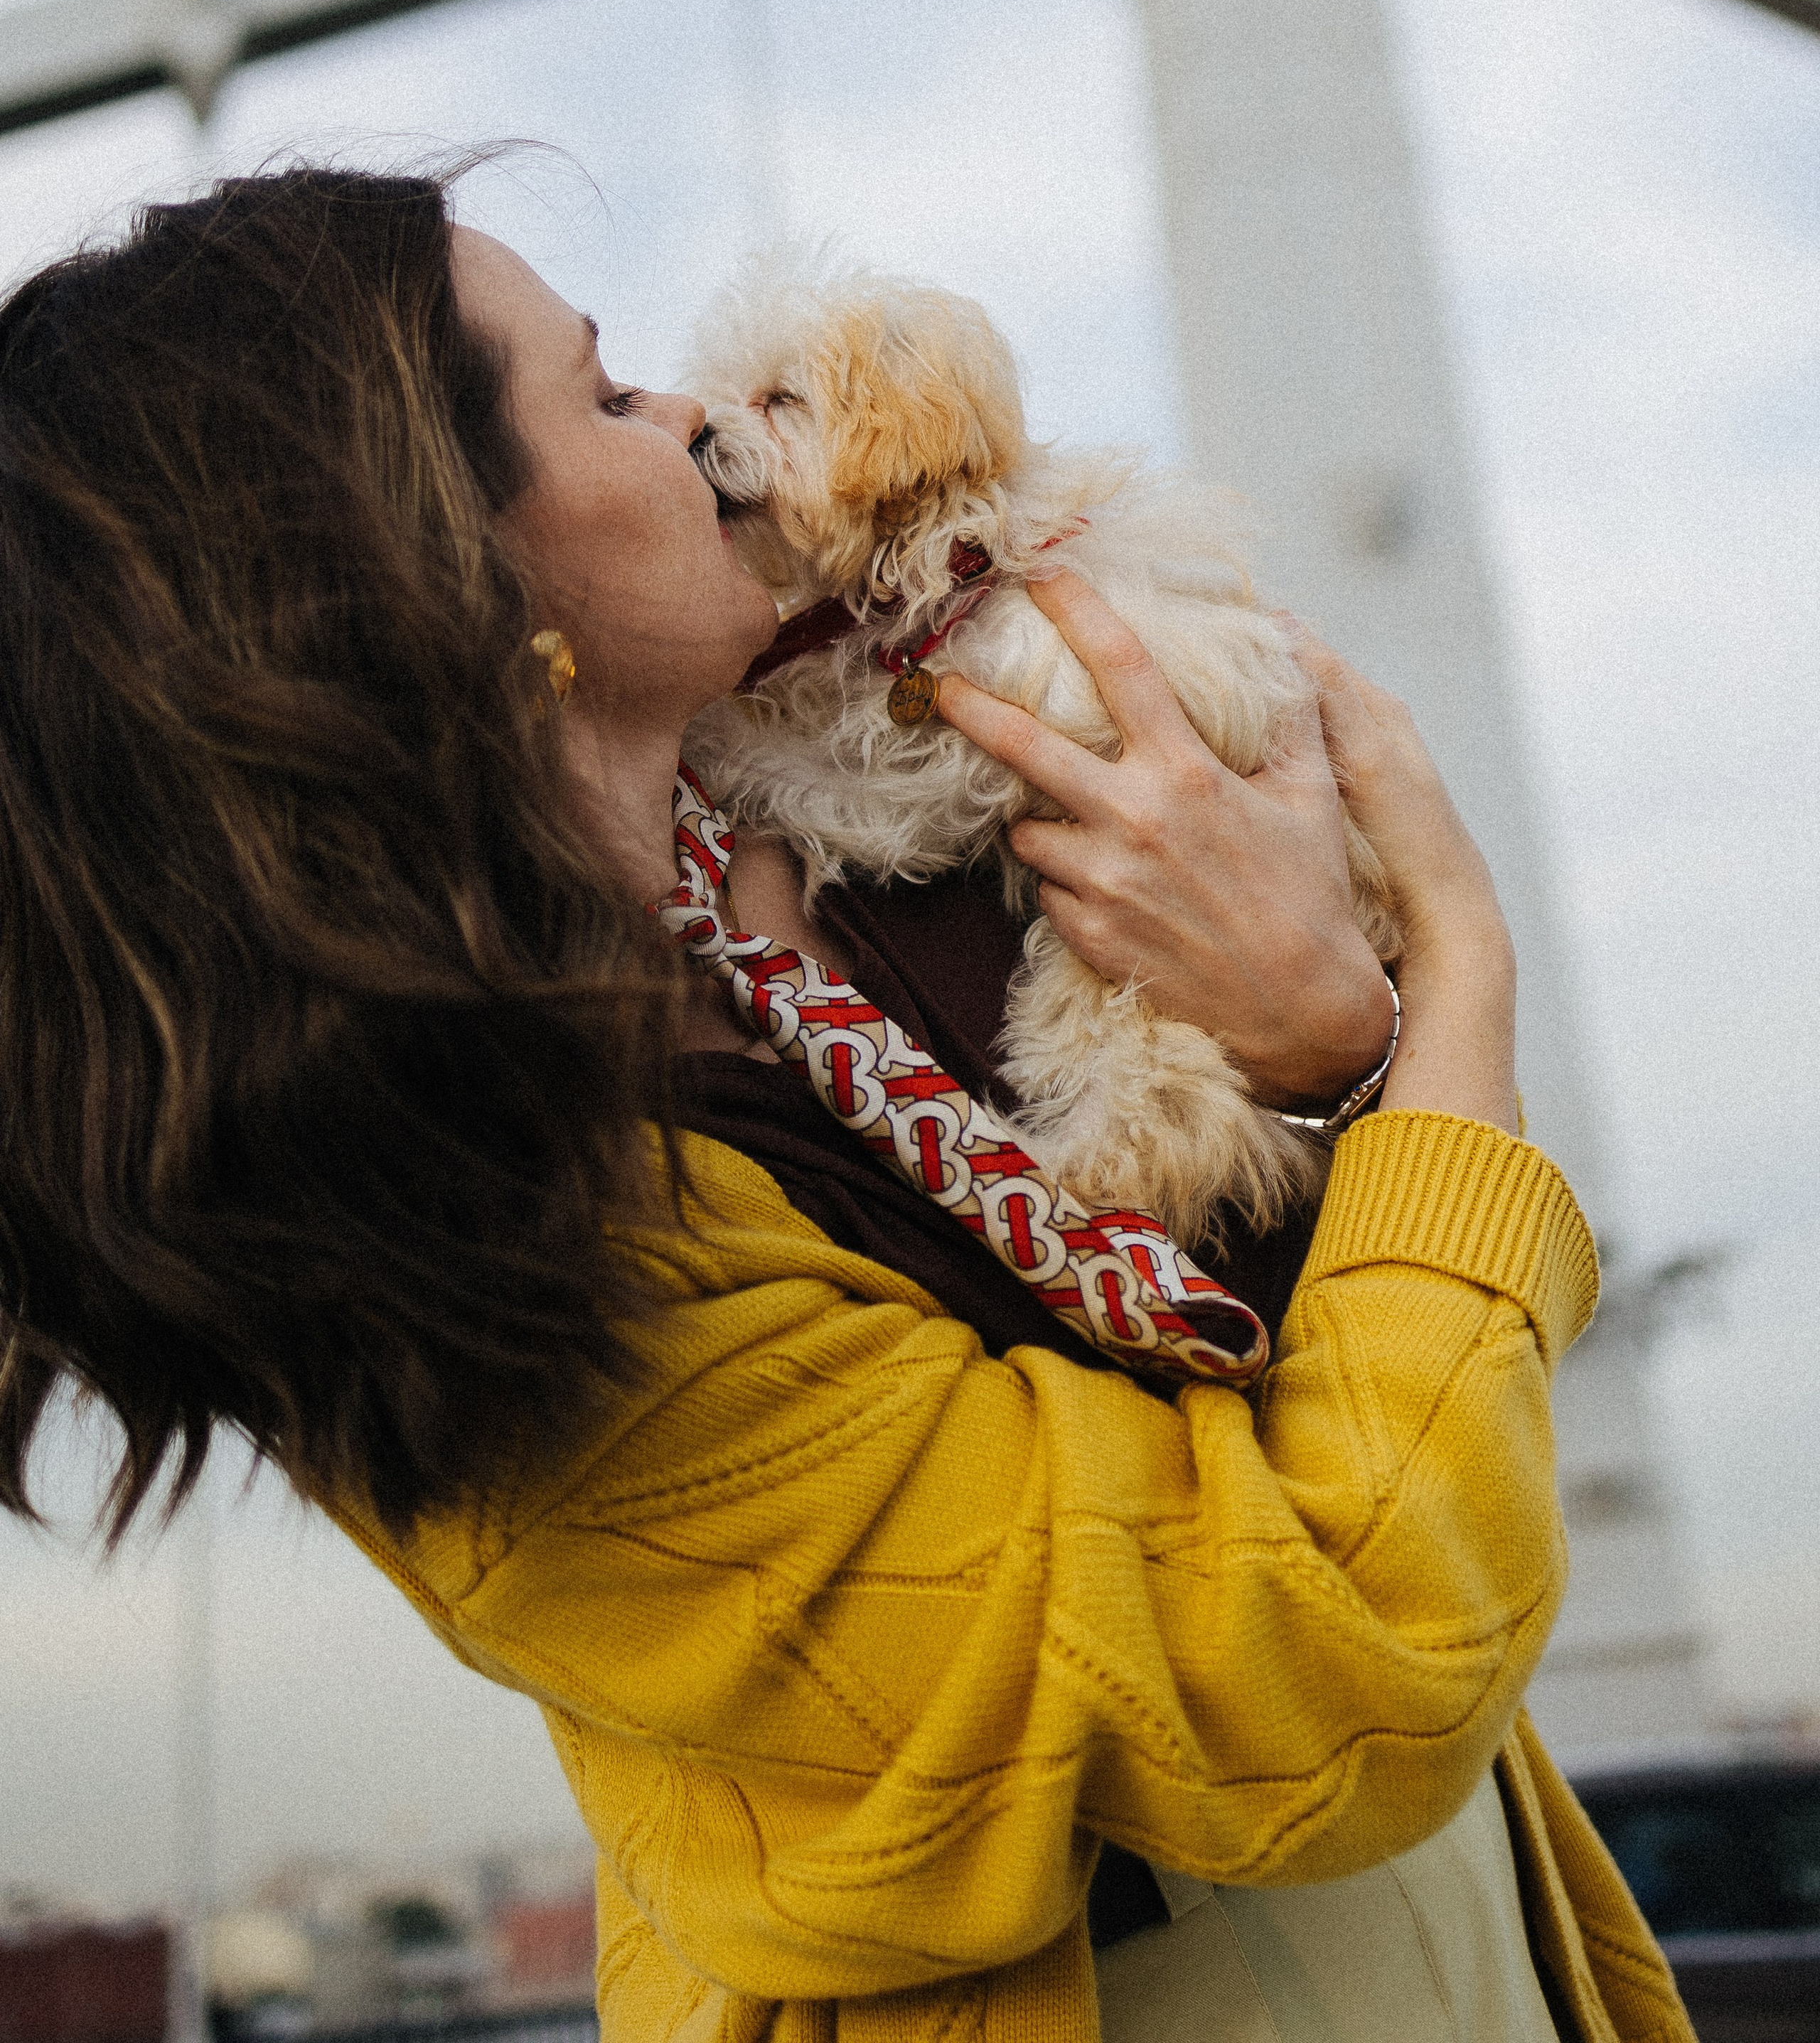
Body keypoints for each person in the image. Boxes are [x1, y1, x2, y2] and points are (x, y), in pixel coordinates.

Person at [0, 170, 1687, 2043]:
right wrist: (1453, 973)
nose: (684, 420)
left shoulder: (849, 842)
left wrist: (1323, 1049)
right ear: (442, 578)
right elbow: (1336, 1662)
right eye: (606, 395)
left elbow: (1304, 1350)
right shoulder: (515, 1277)